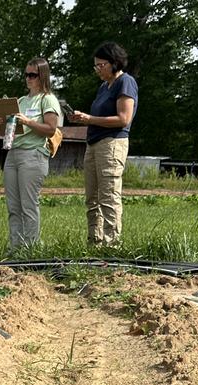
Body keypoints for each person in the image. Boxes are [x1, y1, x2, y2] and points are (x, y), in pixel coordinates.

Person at [70, 42, 138, 247]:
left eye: (101, 65)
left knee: (108, 196)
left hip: (112, 143)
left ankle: (112, 244)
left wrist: (89, 119)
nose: (97, 70)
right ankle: (95, 242)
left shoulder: (125, 82)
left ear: (114, 63)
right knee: (92, 198)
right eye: (96, 66)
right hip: (93, 144)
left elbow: (123, 119)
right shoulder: (103, 87)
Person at [0, 57, 63, 251]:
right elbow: (5, 130)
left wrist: (27, 121)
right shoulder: (20, 101)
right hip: (13, 153)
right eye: (26, 74)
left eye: (32, 75)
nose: (28, 78)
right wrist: (0, 122)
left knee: (28, 205)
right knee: (13, 206)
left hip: (33, 155)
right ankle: (15, 248)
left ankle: (30, 249)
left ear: (42, 76)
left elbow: (51, 129)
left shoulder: (48, 99)